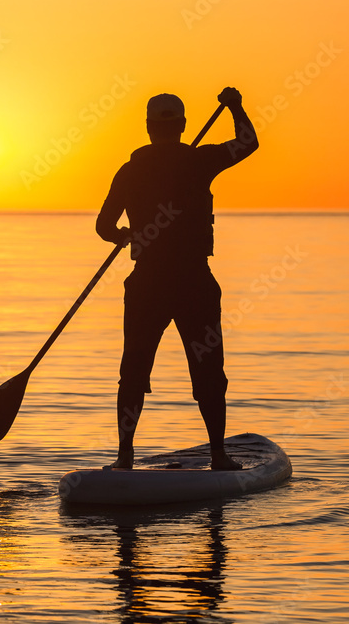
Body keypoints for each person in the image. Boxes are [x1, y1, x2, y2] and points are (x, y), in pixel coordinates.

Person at [96, 87, 258, 470]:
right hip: (193, 284)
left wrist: (125, 237)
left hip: (147, 284)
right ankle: (218, 455)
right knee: (209, 373)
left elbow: (104, 225)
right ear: (182, 126)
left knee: (133, 372)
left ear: (149, 128)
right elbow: (248, 143)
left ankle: (124, 458)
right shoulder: (200, 161)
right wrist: (236, 106)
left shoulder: (130, 169)